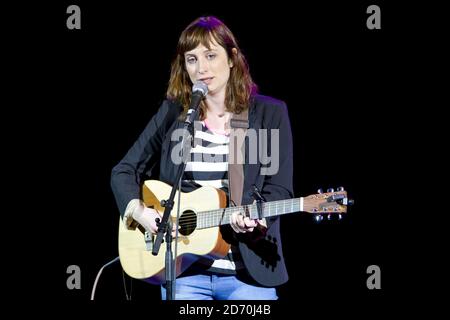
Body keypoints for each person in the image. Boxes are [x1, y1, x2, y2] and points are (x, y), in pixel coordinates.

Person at [111, 16, 293, 300]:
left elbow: (279, 188)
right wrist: (140, 212)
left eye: (210, 55)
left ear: (232, 58)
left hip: (247, 273)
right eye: (192, 59)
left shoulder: (270, 114)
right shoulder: (174, 114)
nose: (201, 68)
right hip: (184, 274)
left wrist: (257, 219)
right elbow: (123, 170)